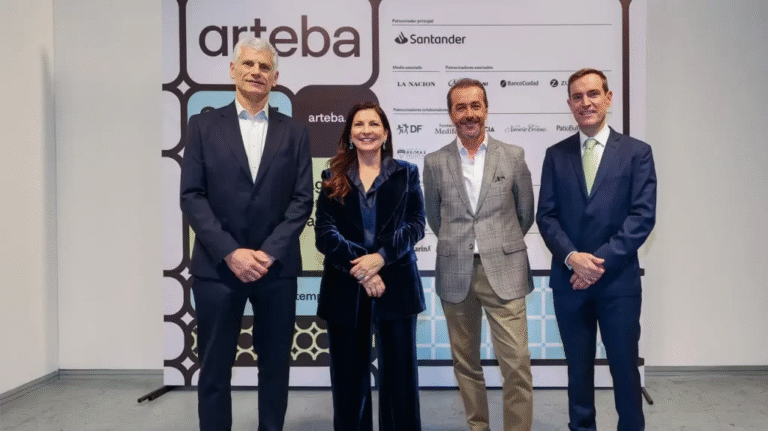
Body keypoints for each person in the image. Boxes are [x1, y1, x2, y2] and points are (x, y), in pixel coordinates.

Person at [179, 37, 313, 431]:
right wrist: (231, 252)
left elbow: (302, 200)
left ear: (275, 77)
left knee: (275, 366)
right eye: (249, 64)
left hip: (276, 270)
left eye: (264, 67)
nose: (256, 72)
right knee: (214, 369)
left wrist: (267, 254)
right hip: (218, 268)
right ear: (233, 70)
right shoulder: (202, 126)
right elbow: (192, 197)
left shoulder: (295, 132)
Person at [536, 68, 656, 431]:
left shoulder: (637, 153)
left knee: (624, 369)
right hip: (569, 282)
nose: (585, 103)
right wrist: (573, 259)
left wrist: (595, 265)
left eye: (592, 94)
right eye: (577, 97)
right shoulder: (555, 155)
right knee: (578, 371)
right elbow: (546, 217)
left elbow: (642, 217)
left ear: (608, 98)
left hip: (618, 283)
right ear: (569, 103)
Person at [423, 78, 535, 431]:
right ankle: (478, 427)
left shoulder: (513, 156)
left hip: (505, 270)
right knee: (466, 364)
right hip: (455, 272)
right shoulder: (434, 162)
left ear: (486, 109)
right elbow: (435, 218)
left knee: (516, 363)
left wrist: (494, 244)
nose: (469, 114)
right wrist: (462, 244)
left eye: (475, 105)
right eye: (461, 107)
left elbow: (525, 214)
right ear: (450, 114)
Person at [315, 101, 426, 431]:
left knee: (400, 379)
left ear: (385, 133)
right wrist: (363, 270)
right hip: (345, 286)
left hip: (397, 284)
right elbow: (324, 233)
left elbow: (415, 224)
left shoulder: (407, 173)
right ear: (350, 134)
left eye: (374, 124)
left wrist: (380, 258)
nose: (366, 131)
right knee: (349, 379)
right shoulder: (332, 177)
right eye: (359, 125)